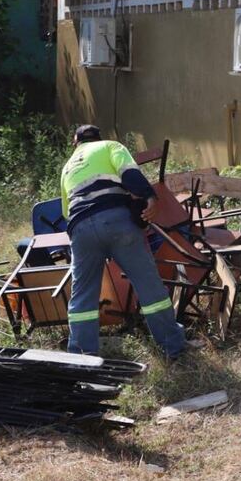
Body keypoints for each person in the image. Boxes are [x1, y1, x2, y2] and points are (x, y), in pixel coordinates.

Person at [60, 125, 188, 359]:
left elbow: (66, 212)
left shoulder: (67, 167)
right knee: (149, 286)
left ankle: (80, 356)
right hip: (117, 222)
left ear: (75, 142)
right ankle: (173, 347)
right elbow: (129, 174)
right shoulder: (110, 146)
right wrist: (150, 198)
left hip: (80, 229)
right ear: (98, 137)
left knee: (83, 296)